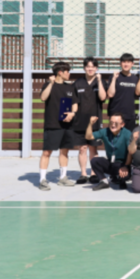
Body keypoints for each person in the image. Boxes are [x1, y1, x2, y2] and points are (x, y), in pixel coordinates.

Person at [38, 62, 80, 191]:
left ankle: (63, 178)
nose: (69, 73)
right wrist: (51, 83)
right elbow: (43, 98)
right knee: (47, 152)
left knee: (64, 151)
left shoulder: (70, 87)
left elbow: (75, 104)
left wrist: (72, 114)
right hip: (53, 125)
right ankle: (42, 180)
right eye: (67, 71)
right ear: (60, 72)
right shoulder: (48, 85)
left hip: (67, 125)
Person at [71, 57, 106, 184]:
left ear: (96, 68)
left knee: (93, 149)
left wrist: (100, 81)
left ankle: (94, 173)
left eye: (93, 66)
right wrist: (73, 116)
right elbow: (74, 102)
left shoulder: (100, 82)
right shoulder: (77, 83)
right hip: (80, 121)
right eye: (88, 66)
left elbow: (103, 97)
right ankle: (83, 174)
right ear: (84, 68)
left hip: (95, 121)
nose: (90, 69)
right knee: (82, 148)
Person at [86, 114, 132, 191]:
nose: (113, 125)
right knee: (94, 160)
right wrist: (90, 124)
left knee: (124, 174)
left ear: (122, 124)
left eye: (116, 123)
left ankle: (120, 180)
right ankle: (104, 181)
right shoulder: (105, 131)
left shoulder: (127, 133)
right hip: (111, 163)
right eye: (111, 122)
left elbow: (131, 152)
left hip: (122, 165)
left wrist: (126, 166)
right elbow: (88, 137)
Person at [106, 53, 140, 130]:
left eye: (128, 62)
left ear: (132, 64)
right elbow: (110, 94)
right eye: (124, 62)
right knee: (115, 137)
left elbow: (138, 93)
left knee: (129, 137)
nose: (126, 64)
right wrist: (114, 79)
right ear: (120, 63)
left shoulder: (135, 79)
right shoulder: (114, 77)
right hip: (115, 115)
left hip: (130, 115)